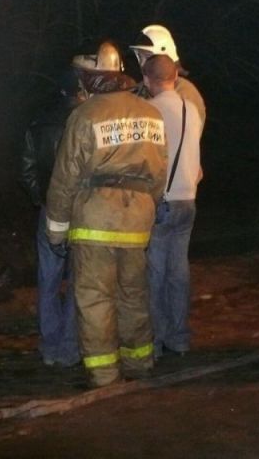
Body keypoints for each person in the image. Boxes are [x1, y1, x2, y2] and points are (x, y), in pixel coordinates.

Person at [46, 41, 168, 387]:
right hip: (138, 218)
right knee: (134, 294)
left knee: (95, 297)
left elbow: (65, 176)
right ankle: (140, 363)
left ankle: (103, 373)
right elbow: (160, 170)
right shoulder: (151, 113)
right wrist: (150, 206)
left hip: (95, 221)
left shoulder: (85, 115)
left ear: (91, 78)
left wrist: (56, 229)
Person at [18, 70, 84, 367]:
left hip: (49, 211)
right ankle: (70, 347)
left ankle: (50, 346)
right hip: (81, 211)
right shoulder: (87, 121)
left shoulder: (38, 122)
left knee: (48, 278)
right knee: (77, 279)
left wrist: (40, 199)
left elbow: (27, 169)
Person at [141, 54, 203, 359]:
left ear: (146, 80)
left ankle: (154, 340)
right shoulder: (190, 108)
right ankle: (179, 337)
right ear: (175, 77)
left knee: (154, 272)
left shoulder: (149, 111)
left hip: (162, 203)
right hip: (188, 199)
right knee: (179, 271)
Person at [130, 24, 206, 128]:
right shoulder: (139, 89)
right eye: (139, 56)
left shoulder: (185, 93)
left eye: (146, 56)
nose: (141, 62)